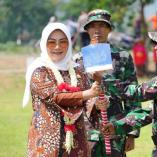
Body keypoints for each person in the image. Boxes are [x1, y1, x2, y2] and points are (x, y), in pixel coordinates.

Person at [23, 22, 105, 157]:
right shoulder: (39, 70)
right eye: (51, 42)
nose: (57, 47)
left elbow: (87, 101)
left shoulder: (77, 70)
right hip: (46, 142)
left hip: (77, 140)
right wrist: (87, 94)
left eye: (63, 42)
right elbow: (55, 97)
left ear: (69, 43)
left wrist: (96, 103)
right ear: (44, 44)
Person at [101, 27, 157, 157]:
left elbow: (141, 92)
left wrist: (105, 82)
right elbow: (150, 112)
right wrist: (118, 125)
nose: (155, 48)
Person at [74, 9, 141, 157]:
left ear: (109, 29)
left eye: (102, 26)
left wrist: (131, 132)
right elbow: (73, 97)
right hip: (88, 132)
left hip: (116, 131)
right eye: (93, 26)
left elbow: (133, 96)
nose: (97, 30)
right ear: (87, 29)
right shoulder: (77, 61)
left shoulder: (123, 57)